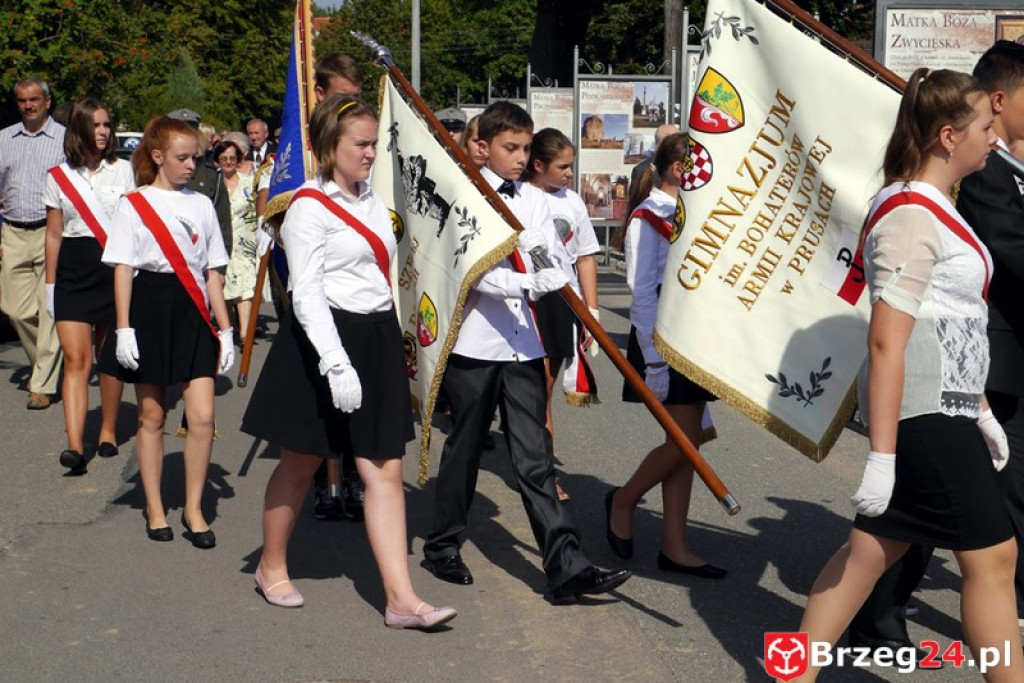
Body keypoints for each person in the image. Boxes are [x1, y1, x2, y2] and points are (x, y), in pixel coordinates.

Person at [785, 68, 1023, 682]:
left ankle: (793, 672)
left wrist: (982, 411)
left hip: (946, 407)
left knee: (868, 554)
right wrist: (882, 458)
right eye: (984, 127)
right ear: (949, 136)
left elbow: (955, 322)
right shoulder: (911, 211)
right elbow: (888, 340)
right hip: (923, 415)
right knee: (995, 558)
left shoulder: (935, 206)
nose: (993, 138)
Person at [240, 94, 457, 629]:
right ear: (327, 146)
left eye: (372, 143)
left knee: (384, 467)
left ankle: (401, 598)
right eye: (360, 144)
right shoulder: (308, 207)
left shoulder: (372, 200)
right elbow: (305, 291)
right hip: (322, 343)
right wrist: (335, 363)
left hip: (375, 336)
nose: (369, 152)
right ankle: (271, 566)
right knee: (301, 461)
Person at [420, 100, 631, 604]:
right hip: (475, 343)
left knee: (535, 457)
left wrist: (571, 295)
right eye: (509, 148)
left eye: (524, 148)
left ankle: (565, 563)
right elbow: (467, 270)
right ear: (481, 147)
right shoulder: (465, 197)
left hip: (523, 343)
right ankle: (443, 545)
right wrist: (527, 280)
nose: (519, 158)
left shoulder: (533, 198)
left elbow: (539, 246)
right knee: (466, 450)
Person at [99, 115, 234, 548]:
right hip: (149, 309)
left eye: (194, 156)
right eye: (182, 157)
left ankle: (194, 509)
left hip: (193, 312)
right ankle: (155, 507)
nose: (191, 165)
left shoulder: (201, 204)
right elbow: (123, 268)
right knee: (152, 415)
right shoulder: (133, 203)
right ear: (157, 157)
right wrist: (122, 329)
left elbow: (213, 271)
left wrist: (226, 330)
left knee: (202, 417)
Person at [606, 132, 726, 579]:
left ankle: (674, 544)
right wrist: (653, 359)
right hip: (661, 338)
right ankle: (624, 499)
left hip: (691, 335)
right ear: (680, 170)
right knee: (685, 442)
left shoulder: (687, 212)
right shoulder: (646, 218)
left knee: (686, 441)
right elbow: (641, 293)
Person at [958, 39, 1024, 632]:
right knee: (981, 494)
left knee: (1002, 490)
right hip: (993, 357)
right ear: (1001, 99)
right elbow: (1011, 251)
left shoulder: (1011, 167)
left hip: (1013, 357)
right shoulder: (984, 173)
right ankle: (875, 612)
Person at [43, 98, 132, 472]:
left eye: (107, 125)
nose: (103, 132)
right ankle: (75, 445)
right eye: (96, 125)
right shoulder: (56, 176)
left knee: (108, 356)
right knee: (77, 361)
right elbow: (53, 234)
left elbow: (133, 225)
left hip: (113, 268)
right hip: (73, 272)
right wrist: (50, 285)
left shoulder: (124, 171)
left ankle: (108, 430)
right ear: (78, 129)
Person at [523, 128, 601, 501]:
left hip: (562, 300)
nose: (571, 174)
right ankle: (542, 471)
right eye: (563, 167)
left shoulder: (573, 202)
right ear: (538, 165)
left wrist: (592, 311)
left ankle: (543, 469)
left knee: (546, 389)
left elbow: (585, 256)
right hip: (525, 297)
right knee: (535, 391)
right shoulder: (518, 198)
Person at [0, 77, 66, 410]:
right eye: (23, 100)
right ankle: (47, 362)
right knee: (14, 309)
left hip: (50, 232)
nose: (29, 105)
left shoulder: (65, 140)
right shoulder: (3, 139)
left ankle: (41, 384)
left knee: (48, 309)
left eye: (35, 99)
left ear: (47, 101)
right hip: (12, 232)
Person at [167, 109, 232, 257]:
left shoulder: (211, 175)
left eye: (189, 131)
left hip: (200, 260)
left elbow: (222, 224)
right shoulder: (153, 172)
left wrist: (221, 268)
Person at [214, 139, 259, 347]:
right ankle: (227, 329)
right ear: (217, 161)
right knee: (223, 288)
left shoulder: (248, 183)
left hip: (244, 243)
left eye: (233, 158)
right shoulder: (213, 184)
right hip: (220, 243)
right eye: (224, 158)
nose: (229, 162)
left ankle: (245, 335)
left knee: (245, 289)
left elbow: (257, 210)